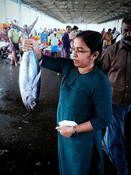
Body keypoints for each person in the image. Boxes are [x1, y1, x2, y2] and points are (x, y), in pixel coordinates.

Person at [22, 30, 113, 175]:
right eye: (73, 49)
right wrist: (32, 46)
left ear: (94, 55)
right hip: (66, 138)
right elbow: (43, 59)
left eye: (80, 51)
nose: (74, 54)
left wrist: (74, 130)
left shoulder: (100, 82)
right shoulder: (69, 66)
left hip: (84, 142)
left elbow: (104, 118)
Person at [100, 15, 131, 175]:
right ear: (121, 31)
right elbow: (100, 74)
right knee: (116, 137)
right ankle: (121, 169)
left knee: (121, 134)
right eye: (126, 31)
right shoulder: (111, 51)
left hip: (130, 103)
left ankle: (105, 143)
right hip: (114, 101)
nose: (129, 34)